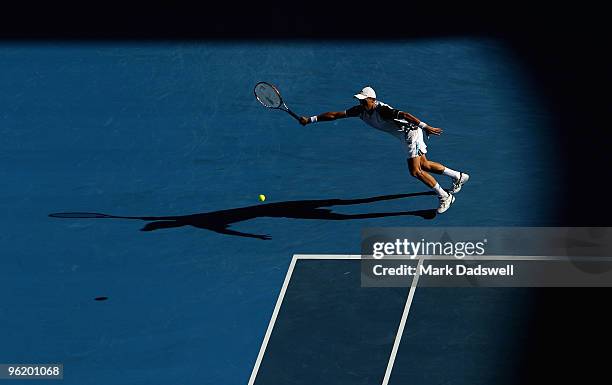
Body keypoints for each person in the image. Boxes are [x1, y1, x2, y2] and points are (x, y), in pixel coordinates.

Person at [298, 86, 469, 214]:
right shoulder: (360, 110)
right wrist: (311, 119)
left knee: (415, 171)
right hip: (404, 136)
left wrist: (426, 126)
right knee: (424, 165)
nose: (361, 102)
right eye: (360, 99)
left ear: (372, 99)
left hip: (410, 135)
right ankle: (458, 176)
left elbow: (405, 115)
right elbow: (335, 115)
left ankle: (445, 196)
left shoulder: (383, 111)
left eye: (364, 100)